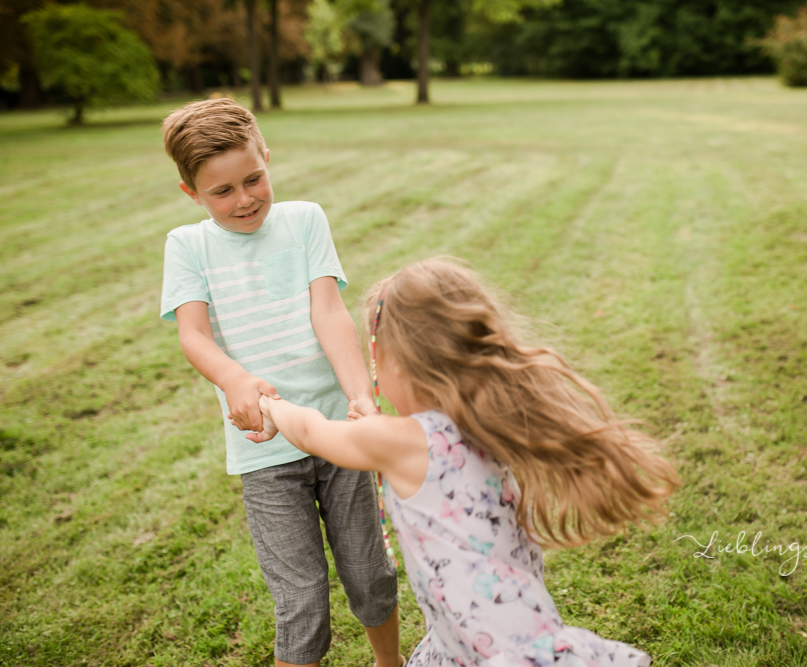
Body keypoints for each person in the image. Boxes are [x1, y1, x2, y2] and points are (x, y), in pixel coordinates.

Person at [246, 258, 681, 666]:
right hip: (503, 629)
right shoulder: (490, 421)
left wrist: (272, 405)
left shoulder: (399, 442)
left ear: (398, 363)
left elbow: (310, 433)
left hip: (485, 649)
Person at [158, 98, 401, 667]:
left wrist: (360, 395)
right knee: (302, 601)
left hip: (338, 434)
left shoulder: (305, 219)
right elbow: (193, 335)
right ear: (191, 193)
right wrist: (234, 378)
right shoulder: (187, 246)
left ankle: (392, 662)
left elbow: (329, 312)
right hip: (264, 449)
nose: (244, 199)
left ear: (267, 157)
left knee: (369, 574)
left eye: (254, 179)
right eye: (222, 192)